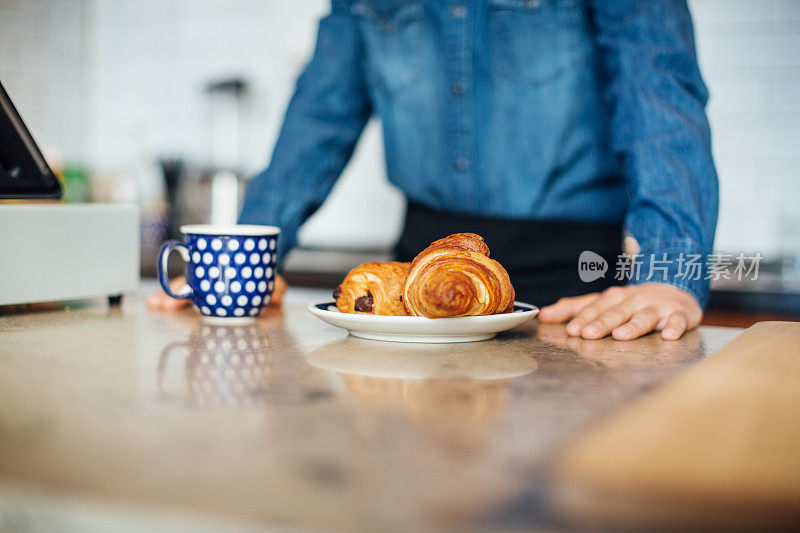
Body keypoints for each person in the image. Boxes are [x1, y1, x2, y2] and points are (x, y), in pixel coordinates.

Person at [149, 0, 717, 341]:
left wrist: (671, 277)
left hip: (578, 293)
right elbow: (320, 117)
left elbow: (658, 93)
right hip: (414, 295)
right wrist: (244, 264)